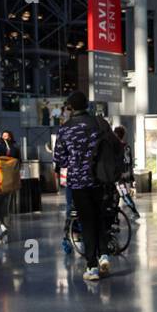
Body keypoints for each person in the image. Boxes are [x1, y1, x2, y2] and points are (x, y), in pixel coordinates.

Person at [53, 91, 111, 280]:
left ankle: (92, 266)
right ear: (87, 105)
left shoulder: (65, 129)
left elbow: (60, 160)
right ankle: (104, 254)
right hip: (100, 179)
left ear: (70, 107)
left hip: (78, 182)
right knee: (100, 217)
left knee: (86, 222)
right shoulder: (99, 123)